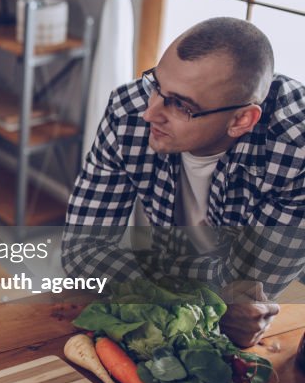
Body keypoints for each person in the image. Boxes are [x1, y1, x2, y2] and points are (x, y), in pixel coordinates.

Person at [66, 17, 305, 347]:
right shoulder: (129, 111)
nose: (151, 112)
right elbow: (82, 249)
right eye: (155, 84)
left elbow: (249, 299)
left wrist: (154, 278)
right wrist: (197, 295)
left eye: (180, 104)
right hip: (181, 308)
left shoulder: (296, 147)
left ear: (241, 120)